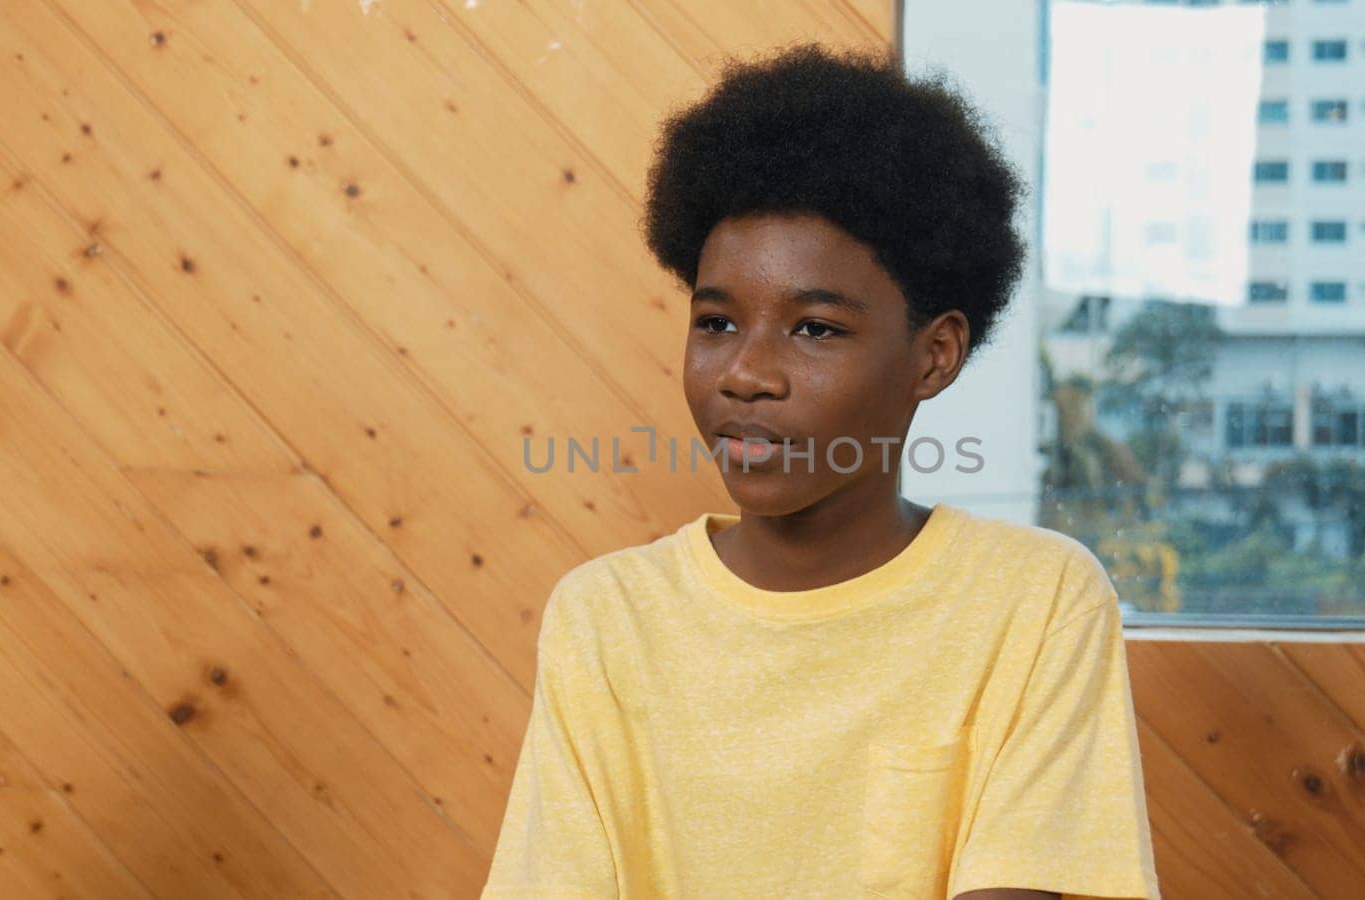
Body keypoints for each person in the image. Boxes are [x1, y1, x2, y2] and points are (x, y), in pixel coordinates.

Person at [480, 42, 1160, 900]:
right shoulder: (606, 618)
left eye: (816, 329)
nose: (745, 373)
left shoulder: (1036, 603)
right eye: (717, 322)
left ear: (935, 355)